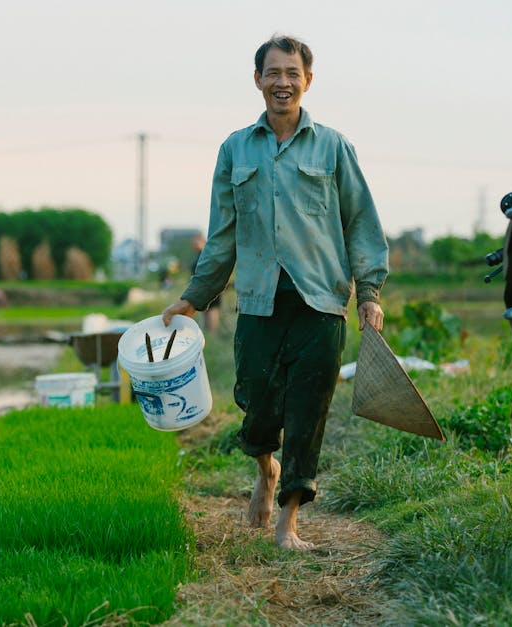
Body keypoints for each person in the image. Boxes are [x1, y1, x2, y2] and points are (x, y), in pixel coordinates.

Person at [162, 35, 388, 550]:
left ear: (307, 80)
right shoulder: (235, 149)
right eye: (273, 73)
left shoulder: (333, 147)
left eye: (292, 73)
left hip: (322, 301)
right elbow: (222, 234)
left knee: (309, 410)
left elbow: (362, 224)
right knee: (256, 402)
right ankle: (266, 468)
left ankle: (289, 521)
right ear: (258, 80)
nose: (282, 83)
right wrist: (194, 297)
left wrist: (369, 292)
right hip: (260, 301)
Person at [189, 232, 222, 333]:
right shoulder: (199, 256)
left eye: (196, 242)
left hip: (211, 289)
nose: (194, 245)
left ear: (203, 242)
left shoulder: (209, 255)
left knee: (212, 315)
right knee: (204, 319)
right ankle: (207, 340)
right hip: (200, 290)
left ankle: (212, 340)